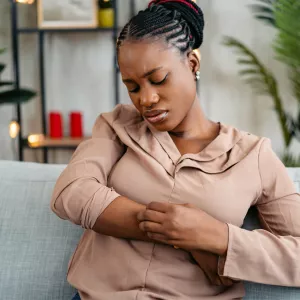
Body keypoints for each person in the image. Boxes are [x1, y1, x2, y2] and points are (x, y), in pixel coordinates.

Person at [51, 1, 300, 299]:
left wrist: (219, 238)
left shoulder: (253, 154)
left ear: (192, 64)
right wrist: (184, 236)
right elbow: (72, 193)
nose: (146, 99)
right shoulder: (117, 126)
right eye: (132, 87)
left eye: (158, 79)